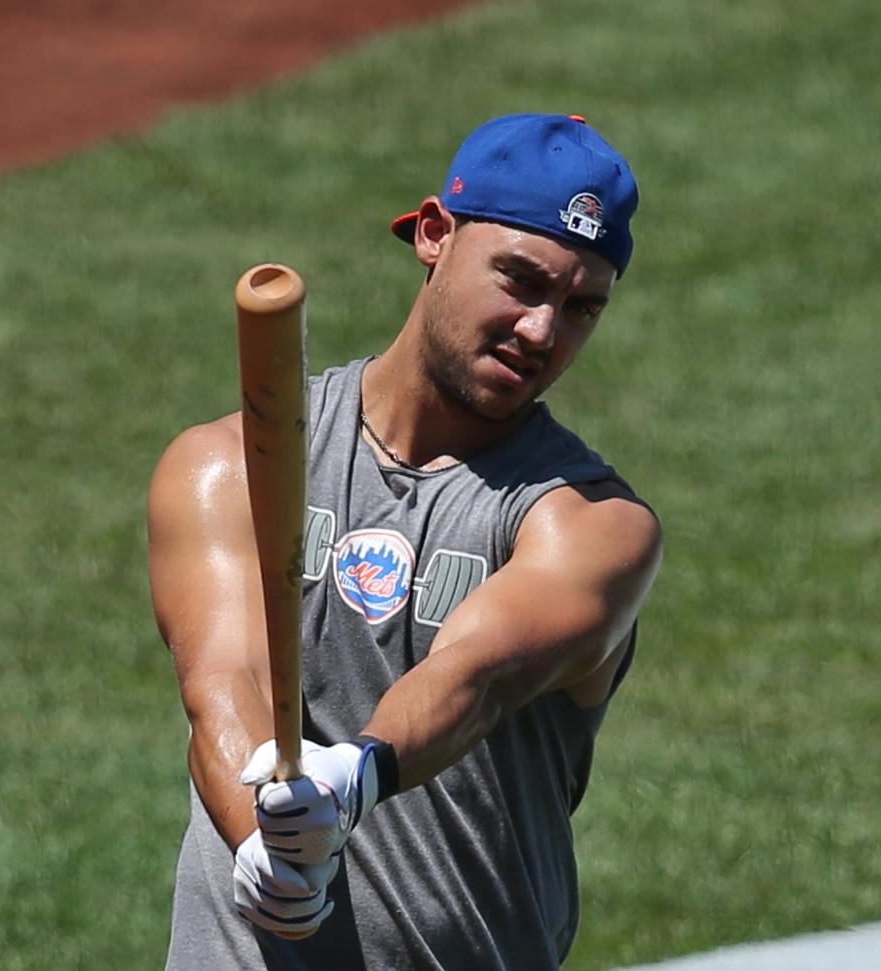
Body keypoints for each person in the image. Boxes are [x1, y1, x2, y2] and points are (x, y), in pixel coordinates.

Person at [152, 113, 662, 970]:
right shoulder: (223, 465)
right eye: (519, 279)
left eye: (579, 307)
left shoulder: (592, 524)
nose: (540, 330)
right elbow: (223, 683)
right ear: (434, 234)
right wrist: (271, 847)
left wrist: (355, 778)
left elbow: (478, 673)